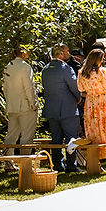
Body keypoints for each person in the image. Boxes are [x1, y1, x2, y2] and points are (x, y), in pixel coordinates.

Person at [77, 49, 106, 173]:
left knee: (94, 133)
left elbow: (81, 89)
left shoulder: (82, 73)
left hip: (90, 104)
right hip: (103, 102)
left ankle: (96, 164)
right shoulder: (102, 72)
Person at [41, 44, 82, 172]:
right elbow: (74, 88)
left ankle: (57, 165)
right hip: (67, 108)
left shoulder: (45, 69)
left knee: (56, 139)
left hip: (51, 108)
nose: (69, 53)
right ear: (61, 53)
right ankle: (71, 165)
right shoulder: (66, 69)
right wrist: (78, 98)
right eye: (67, 51)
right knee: (71, 138)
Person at [1, 48, 39, 158]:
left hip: (12, 105)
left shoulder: (8, 66)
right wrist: (33, 103)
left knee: (11, 135)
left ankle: (8, 161)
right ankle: (25, 163)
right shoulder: (25, 67)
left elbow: (5, 88)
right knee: (27, 136)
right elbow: (29, 87)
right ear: (23, 52)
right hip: (26, 105)